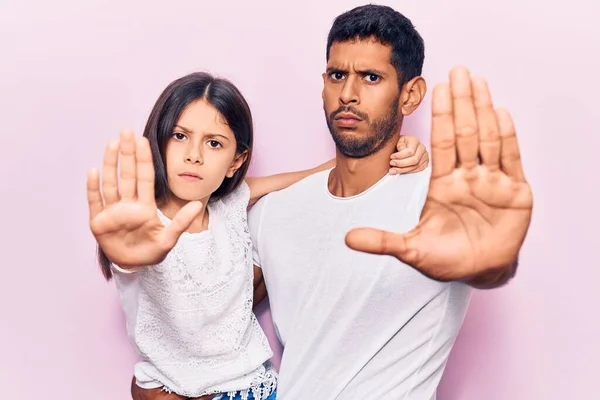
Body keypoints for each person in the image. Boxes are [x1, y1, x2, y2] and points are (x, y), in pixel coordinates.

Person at [132, 4, 533, 399]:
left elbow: (487, 265)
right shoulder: (272, 212)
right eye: (338, 75)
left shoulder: (440, 204)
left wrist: (493, 264)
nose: (349, 94)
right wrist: (159, 384)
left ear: (410, 95)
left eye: (371, 77)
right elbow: (206, 324)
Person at [86, 72, 429, 399]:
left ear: (236, 162)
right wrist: (123, 259)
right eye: (179, 136)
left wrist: (396, 146)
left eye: (214, 143)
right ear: (158, 141)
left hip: (255, 389)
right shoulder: (139, 231)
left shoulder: (232, 203)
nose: (194, 155)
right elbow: (129, 257)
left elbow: (314, 174)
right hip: (176, 391)